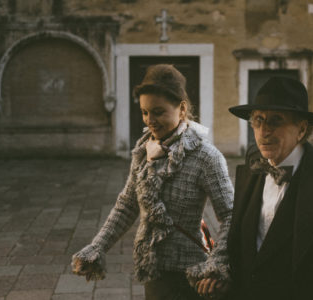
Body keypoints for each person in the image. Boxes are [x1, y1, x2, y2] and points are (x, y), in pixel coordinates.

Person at [71, 64, 234, 300]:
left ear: (182, 108)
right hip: (154, 273)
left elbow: (230, 214)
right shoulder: (143, 150)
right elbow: (127, 204)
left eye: (158, 112)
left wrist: (217, 265)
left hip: (193, 278)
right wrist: (97, 247)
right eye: (145, 112)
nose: (150, 121)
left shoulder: (206, 157)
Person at [196, 77, 313, 300]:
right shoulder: (251, 170)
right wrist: (227, 283)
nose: (264, 131)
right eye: (258, 120)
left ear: (301, 129)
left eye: (276, 121)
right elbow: (244, 252)